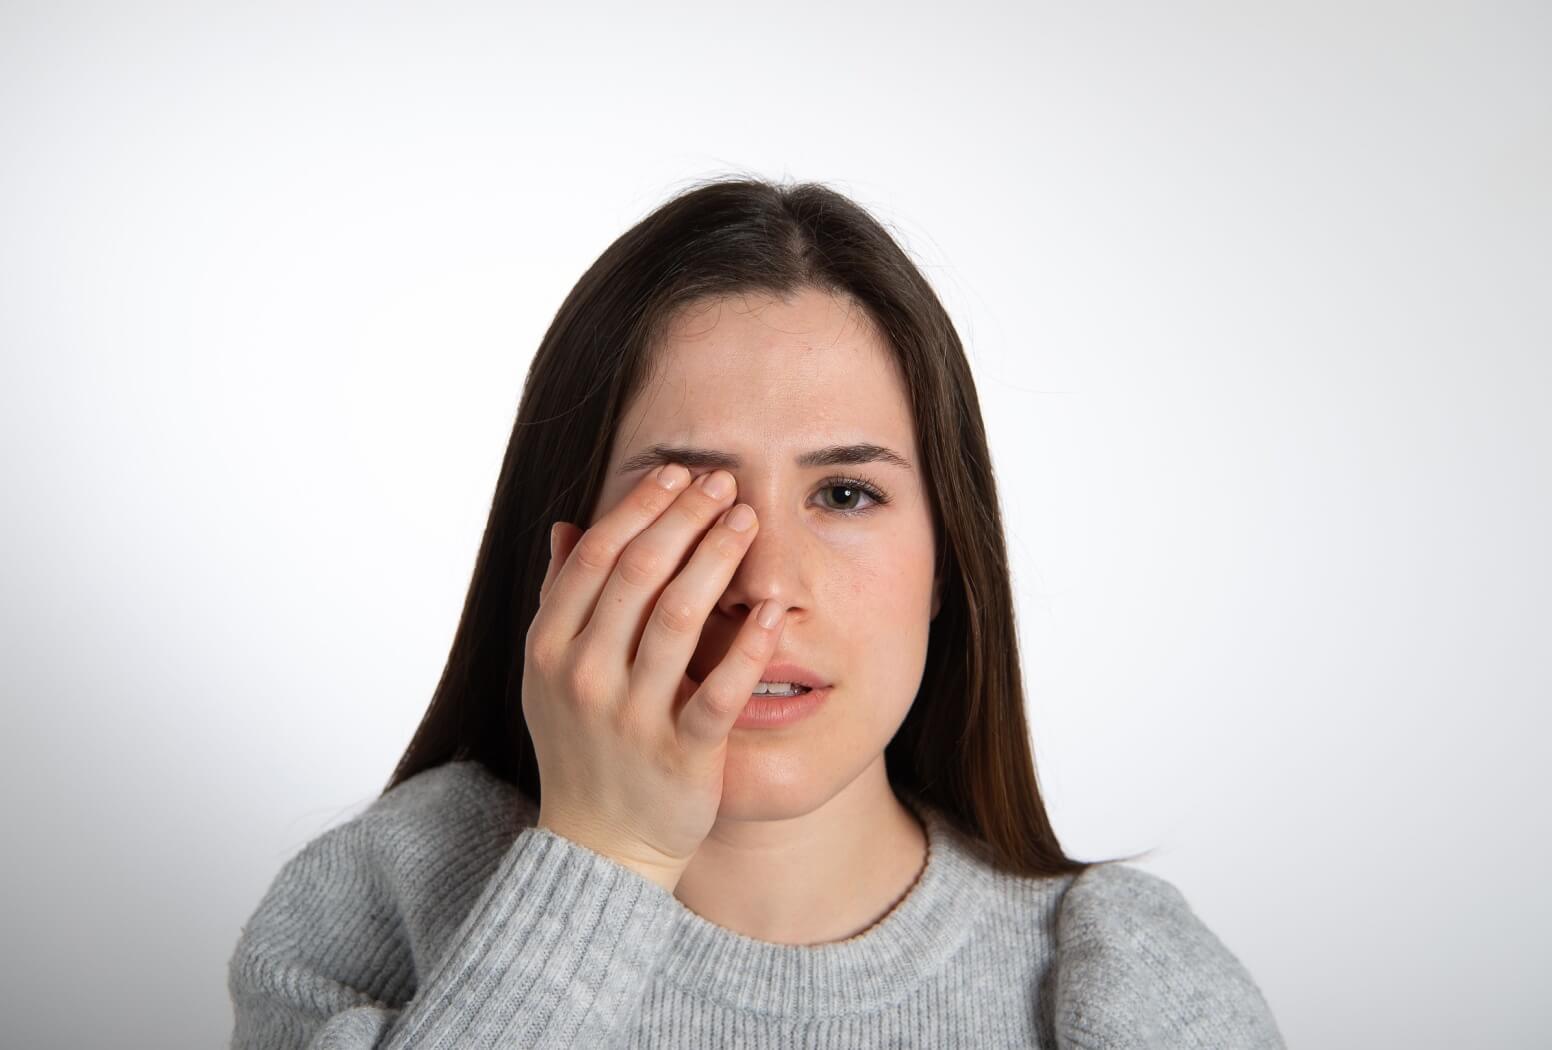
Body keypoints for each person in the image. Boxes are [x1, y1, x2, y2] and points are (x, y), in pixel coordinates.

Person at [227, 176, 1287, 1048]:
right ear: (565, 556)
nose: (764, 581)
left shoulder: (1117, 982)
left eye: (844, 494)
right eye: (690, 495)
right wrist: (605, 858)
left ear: (947, 562)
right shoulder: (379, 899)